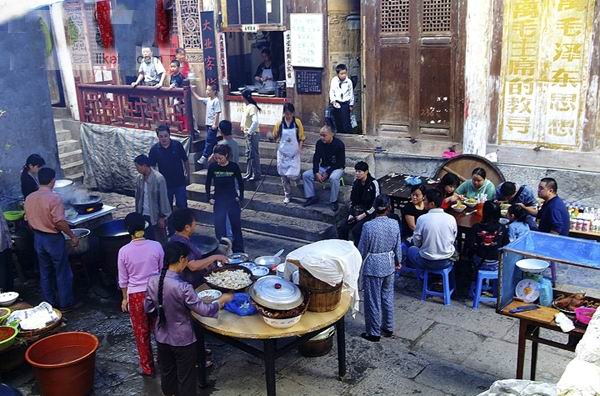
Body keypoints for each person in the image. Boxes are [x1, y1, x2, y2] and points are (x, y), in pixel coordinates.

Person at [145, 241, 233, 396]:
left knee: (168, 373)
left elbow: (148, 308)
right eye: (186, 260)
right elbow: (204, 310)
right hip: (183, 340)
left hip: (162, 336)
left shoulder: (152, 281)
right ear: (181, 259)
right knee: (186, 378)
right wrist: (221, 301)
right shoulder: (183, 287)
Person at [24, 167, 79, 311]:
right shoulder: (54, 198)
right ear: (53, 181)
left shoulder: (29, 198)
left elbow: (28, 220)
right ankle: (66, 304)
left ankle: (49, 304)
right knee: (62, 272)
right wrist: (72, 236)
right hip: (52, 239)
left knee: (45, 272)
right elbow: (60, 222)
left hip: (38, 238)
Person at [117, 212, 164, 377]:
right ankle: (164, 362)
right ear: (144, 226)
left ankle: (147, 368)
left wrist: (124, 299)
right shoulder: (156, 246)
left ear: (128, 230)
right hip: (155, 292)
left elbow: (123, 280)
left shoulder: (123, 251)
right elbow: (161, 271)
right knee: (160, 328)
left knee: (141, 333)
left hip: (136, 296)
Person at [358, 195, 401, 342]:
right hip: (389, 264)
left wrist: (357, 264)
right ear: (388, 208)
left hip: (373, 266)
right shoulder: (395, 224)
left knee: (373, 300)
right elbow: (397, 246)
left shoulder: (368, 226)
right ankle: (388, 327)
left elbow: (362, 250)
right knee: (387, 297)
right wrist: (398, 261)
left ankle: (374, 332)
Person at [170, 208, 229, 288]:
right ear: (187, 227)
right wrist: (214, 257)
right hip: (192, 286)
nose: (195, 225)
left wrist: (208, 264)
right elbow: (193, 266)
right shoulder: (179, 243)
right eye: (194, 223)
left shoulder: (181, 238)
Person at [205, 145, 245, 252]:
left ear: (226, 155)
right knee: (219, 226)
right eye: (216, 158)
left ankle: (239, 250)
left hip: (232, 199)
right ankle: (222, 249)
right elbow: (208, 183)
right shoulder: (213, 167)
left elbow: (240, 183)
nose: (219, 160)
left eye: (220, 158)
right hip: (219, 200)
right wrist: (208, 197)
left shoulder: (233, 167)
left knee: (236, 226)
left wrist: (240, 197)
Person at [407, 189, 457, 270]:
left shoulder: (422, 219)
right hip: (446, 261)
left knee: (411, 250)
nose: (423, 201)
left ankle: (422, 276)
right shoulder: (451, 219)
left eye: (425, 200)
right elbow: (453, 239)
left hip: (426, 261)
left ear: (432, 204)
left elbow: (416, 242)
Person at [302, 125, 346, 211]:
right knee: (306, 175)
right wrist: (316, 172)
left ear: (331, 135)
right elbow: (316, 158)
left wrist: (328, 172)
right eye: (321, 135)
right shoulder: (319, 143)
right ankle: (311, 197)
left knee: (333, 178)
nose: (322, 137)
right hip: (323, 166)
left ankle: (334, 201)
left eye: (324, 135)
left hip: (337, 167)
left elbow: (340, 163)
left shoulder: (339, 144)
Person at [148, 125, 189, 210]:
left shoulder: (177, 145)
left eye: (166, 136)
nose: (164, 139)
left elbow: (185, 160)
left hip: (179, 181)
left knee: (182, 205)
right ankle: (169, 223)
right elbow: (152, 167)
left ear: (169, 135)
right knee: (166, 207)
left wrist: (187, 174)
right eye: (161, 136)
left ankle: (184, 222)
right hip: (165, 183)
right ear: (158, 137)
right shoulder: (154, 150)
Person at [338, 161, 379, 244]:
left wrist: (363, 215)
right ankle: (343, 247)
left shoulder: (373, 184)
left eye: (359, 171)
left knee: (356, 231)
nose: (357, 173)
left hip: (369, 213)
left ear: (366, 172)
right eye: (356, 171)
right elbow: (353, 201)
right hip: (356, 211)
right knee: (342, 227)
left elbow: (375, 204)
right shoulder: (356, 183)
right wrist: (351, 214)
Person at [134, 154, 172, 244]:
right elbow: (138, 198)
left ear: (144, 165)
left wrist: (162, 217)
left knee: (160, 240)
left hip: (156, 215)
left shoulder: (159, 179)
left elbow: (163, 199)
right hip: (144, 213)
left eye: (137, 167)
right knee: (148, 239)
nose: (137, 169)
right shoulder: (139, 179)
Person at [272, 103, 305, 204]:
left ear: (293, 113)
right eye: (286, 114)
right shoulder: (279, 123)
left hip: (294, 153)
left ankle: (298, 178)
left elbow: (301, 138)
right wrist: (274, 138)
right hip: (283, 153)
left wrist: (299, 148)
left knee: (293, 175)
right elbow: (275, 136)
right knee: (284, 176)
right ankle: (287, 195)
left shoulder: (297, 123)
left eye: (290, 114)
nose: (288, 116)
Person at [468, 201, 508, 271]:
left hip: (480, 260)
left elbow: (470, 245)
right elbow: (506, 244)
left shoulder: (476, 227)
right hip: (496, 262)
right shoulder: (502, 227)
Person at [193, 84, 222, 166]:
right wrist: (192, 91)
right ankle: (216, 154)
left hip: (212, 124)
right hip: (208, 124)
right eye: (207, 89)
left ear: (214, 91)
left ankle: (204, 156)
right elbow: (198, 98)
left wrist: (215, 124)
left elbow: (217, 113)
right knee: (213, 141)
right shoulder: (208, 100)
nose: (207, 91)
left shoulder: (216, 101)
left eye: (209, 90)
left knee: (209, 140)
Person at [241, 89, 262, 181]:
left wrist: (249, 132)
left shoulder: (252, 107)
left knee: (253, 154)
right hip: (247, 134)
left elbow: (255, 121)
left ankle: (256, 173)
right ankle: (249, 173)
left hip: (252, 134)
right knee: (248, 154)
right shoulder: (247, 106)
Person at [329, 64, 354, 134]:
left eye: (345, 73)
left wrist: (351, 105)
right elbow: (332, 91)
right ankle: (340, 135)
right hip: (337, 103)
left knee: (346, 121)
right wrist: (333, 101)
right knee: (338, 121)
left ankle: (348, 135)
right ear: (337, 74)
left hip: (345, 103)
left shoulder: (349, 81)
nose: (344, 75)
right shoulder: (334, 80)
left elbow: (351, 93)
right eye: (341, 74)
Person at [0, 214, 13, 292]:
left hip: (5, 245)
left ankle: (9, 293)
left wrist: (9, 241)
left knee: (7, 271)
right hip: (2, 246)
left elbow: (3, 226)